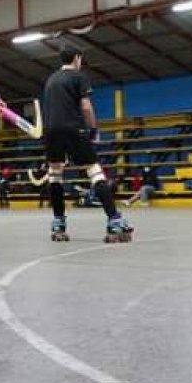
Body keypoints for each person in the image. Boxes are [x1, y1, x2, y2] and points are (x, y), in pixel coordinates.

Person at [42, 47, 133, 242]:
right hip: (74, 128)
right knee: (94, 171)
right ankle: (114, 220)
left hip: (51, 131)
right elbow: (85, 106)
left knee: (55, 175)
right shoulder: (78, 76)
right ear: (76, 58)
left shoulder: (51, 79)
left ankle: (58, 223)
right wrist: (93, 129)